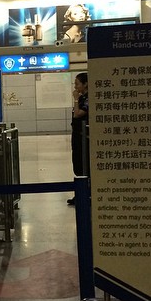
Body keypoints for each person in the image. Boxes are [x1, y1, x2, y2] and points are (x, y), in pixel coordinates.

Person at [67, 72, 88, 205]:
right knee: (77, 163)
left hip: (83, 136)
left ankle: (85, 193)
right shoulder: (82, 98)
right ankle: (80, 192)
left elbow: (78, 114)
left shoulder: (87, 99)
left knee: (83, 164)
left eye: (77, 84)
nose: (75, 87)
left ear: (85, 84)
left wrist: (75, 99)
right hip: (77, 134)